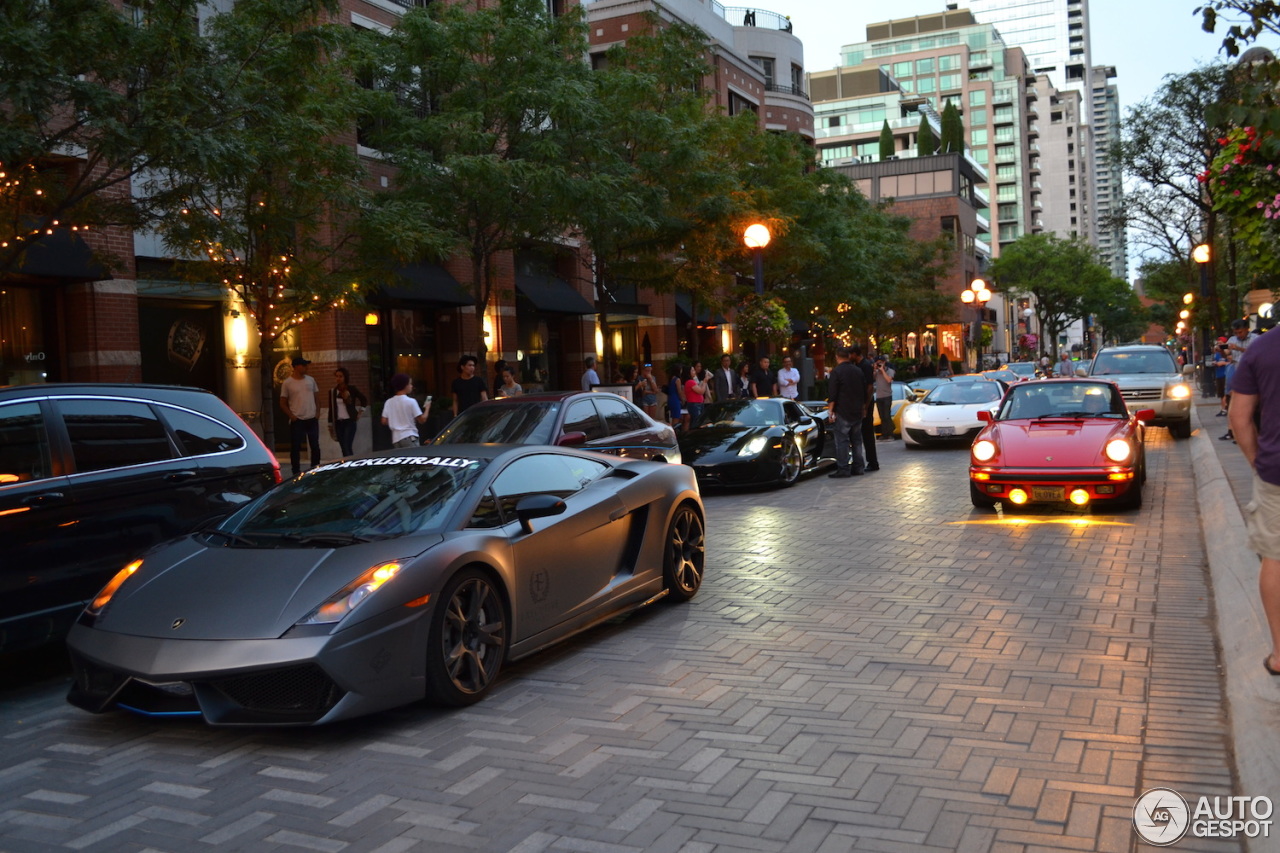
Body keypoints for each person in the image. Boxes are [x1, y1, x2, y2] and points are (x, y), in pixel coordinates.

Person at [1226, 328, 1280, 677]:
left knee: (1276, 558)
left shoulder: (1262, 348)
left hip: (1277, 472)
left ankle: (1279, 654)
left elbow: (1238, 416)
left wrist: (1257, 461)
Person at [826, 346, 867, 478]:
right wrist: (863, 407)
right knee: (856, 440)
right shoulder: (858, 371)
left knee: (842, 440)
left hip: (843, 410)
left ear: (837, 357)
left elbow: (833, 393)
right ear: (848, 356)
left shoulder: (836, 372)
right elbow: (864, 391)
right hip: (857, 410)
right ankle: (859, 467)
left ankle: (843, 468)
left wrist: (830, 411)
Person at [279, 356, 321, 478]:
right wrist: (291, 415)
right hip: (297, 419)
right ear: (296, 367)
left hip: (311, 418)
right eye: (303, 365)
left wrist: (317, 412)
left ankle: (315, 468)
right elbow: (282, 402)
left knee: (315, 445)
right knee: (295, 446)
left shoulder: (311, 380)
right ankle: (295, 471)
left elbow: (317, 397)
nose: (306, 367)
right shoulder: (288, 383)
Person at [1224, 320, 1257, 441]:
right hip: (1237, 371)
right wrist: (1222, 350)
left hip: (1253, 373)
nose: (1238, 335)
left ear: (1247, 329)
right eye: (1236, 332)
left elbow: (1256, 353)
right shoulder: (1232, 339)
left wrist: (1238, 348)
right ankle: (1236, 433)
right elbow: (1226, 354)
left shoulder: (1255, 338)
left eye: (1240, 332)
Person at [328, 366, 368, 457]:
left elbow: (364, 400)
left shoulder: (351, 389)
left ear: (345, 377)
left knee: (347, 445)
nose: (338, 378)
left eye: (340, 376)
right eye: (337, 376)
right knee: (343, 447)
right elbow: (331, 409)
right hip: (338, 423)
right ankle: (347, 464)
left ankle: (351, 465)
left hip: (349, 421)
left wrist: (360, 412)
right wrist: (330, 424)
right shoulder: (333, 391)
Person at [382, 372, 428, 448]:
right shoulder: (411, 401)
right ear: (405, 386)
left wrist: (396, 420)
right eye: (410, 384)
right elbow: (422, 420)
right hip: (409, 436)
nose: (411, 386)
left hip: (396, 438)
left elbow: (384, 421)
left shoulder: (389, 402)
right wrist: (427, 408)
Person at [852, 345, 879, 472]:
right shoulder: (859, 366)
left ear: (855, 354)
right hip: (861, 402)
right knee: (863, 432)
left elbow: (870, 387)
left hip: (865, 402)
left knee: (867, 433)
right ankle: (869, 461)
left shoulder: (865, 366)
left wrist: (865, 406)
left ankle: (873, 462)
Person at [873, 355, 896, 440]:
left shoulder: (890, 371)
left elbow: (888, 380)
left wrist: (882, 370)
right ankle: (884, 434)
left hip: (887, 396)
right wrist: (874, 369)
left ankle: (890, 433)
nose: (879, 364)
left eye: (881, 362)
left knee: (887, 415)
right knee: (882, 416)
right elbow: (871, 378)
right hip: (879, 396)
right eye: (878, 362)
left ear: (884, 362)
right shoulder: (876, 372)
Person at [685, 361, 708, 425]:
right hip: (694, 404)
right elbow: (701, 391)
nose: (694, 372)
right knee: (696, 421)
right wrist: (705, 382)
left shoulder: (693, 381)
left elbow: (699, 387)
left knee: (699, 420)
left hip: (698, 403)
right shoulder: (690, 382)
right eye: (692, 371)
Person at [1213, 339, 1231, 416]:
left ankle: (1225, 409)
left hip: (1225, 374)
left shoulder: (1227, 353)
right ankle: (1223, 408)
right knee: (1221, 393)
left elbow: (1232, 362)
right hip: (1218, 374)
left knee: (1225, 393)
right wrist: (1215, 363)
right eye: (1218, 343)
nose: (1219, 345)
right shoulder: (1216, 353)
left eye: (1221, 343)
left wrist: (1223, 363)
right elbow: (1215, 360)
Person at [666, 365, 686, 430]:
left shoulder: (671, 378)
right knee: (676, 418)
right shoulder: (677, 379)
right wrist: (683, 399)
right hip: (675, 399)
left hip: (670, 399)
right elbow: (679, 391)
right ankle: (674, 432)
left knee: (674, 417)